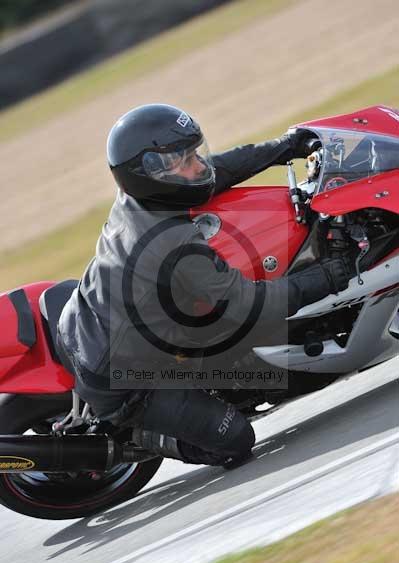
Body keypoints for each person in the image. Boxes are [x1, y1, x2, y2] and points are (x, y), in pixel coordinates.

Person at [57, 103, 351, 469]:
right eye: (185, 160)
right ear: (147, 172)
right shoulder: (169, 243)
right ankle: (131, 433)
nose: (198, 165)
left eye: (194, 152)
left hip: (85, 320)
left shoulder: (145, 195)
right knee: (236, 441)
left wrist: (284, 147)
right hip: (124, 379)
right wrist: (326, 279)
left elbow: (217, 171)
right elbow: (247, 303)